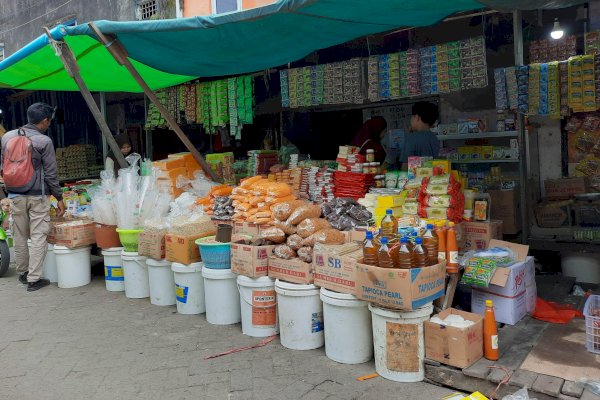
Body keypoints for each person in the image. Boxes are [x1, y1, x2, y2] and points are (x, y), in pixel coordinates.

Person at [1, 103, 65, 292]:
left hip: (14, 194)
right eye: (49, 121)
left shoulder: (7, 137)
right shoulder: (43, 141)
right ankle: (34, 279)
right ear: (44, 121)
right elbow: (51, 174)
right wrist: (59, 197)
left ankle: (22, 272)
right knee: (38, 236)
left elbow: (3, 166)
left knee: (19, 235)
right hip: (38, 195)